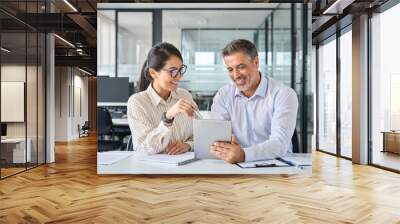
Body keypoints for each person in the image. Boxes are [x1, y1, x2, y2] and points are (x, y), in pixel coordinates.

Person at [210, 39, 298, 163]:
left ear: (256, 62)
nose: (235, 75)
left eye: (241, 67)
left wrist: (244, 154)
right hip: (236, 165)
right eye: (230, 69)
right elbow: (215, 136)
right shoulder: (223, 95)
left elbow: (279, 143)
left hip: (278, 165)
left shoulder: (283, 94)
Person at [127, 42, 198, 155]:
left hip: (186, 165)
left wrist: (188, 145)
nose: (179, 76)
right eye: (173, 71)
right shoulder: (137, 102)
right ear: (153, 72)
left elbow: (200, 134)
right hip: (153, 170)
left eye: (180, 70)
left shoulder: (185, 95)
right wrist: (168, 117)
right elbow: (144, 148)